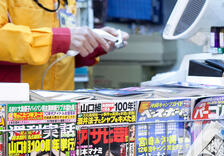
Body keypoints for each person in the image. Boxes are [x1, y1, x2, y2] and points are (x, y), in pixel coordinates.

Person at [0, 0, 129, 90]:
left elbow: (62, 57)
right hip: (14, 108)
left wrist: (96, 43)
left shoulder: (68, 2)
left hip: (61, 109)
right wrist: (60, 39)